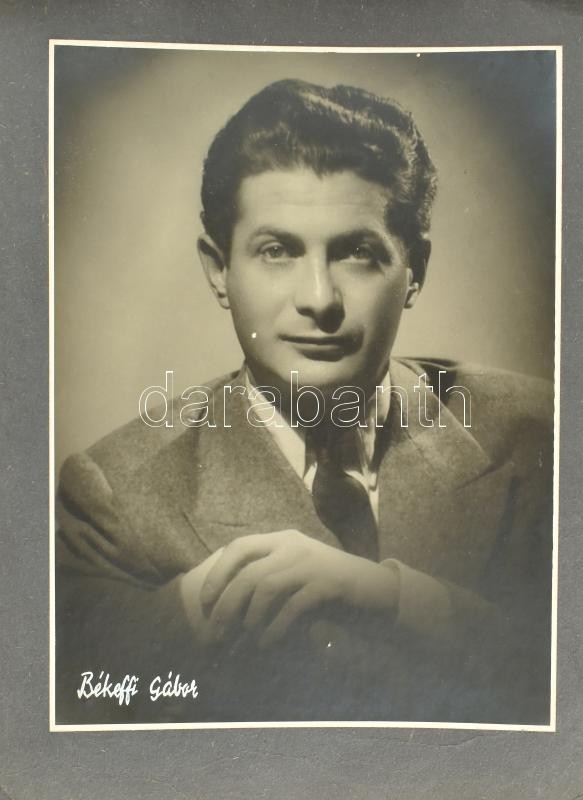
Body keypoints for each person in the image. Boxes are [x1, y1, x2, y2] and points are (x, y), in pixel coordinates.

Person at [55, 79, 553, 725]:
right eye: (277, 251)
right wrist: (186, 620)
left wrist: (389, 598)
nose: (319, 298)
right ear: (218, 271)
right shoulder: (116, 499)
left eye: (357, 252)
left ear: (416, 270)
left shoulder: (541, 438)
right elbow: (83, 706)